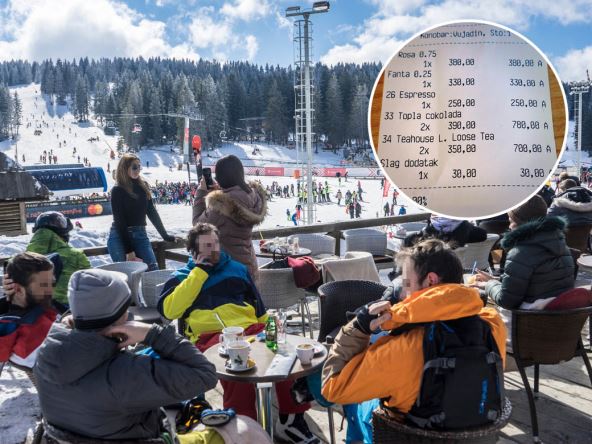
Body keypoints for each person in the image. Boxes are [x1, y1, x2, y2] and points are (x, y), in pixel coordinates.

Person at [321, 240, 506, 441]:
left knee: (354, 399)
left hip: (407, 435)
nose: (402, 293)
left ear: (431, 280)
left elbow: (333, 389)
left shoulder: (401, 348)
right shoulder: (492, 325)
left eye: (406, 283)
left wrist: (357, 328)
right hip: (477, 428)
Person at [158, 223, 320, 443]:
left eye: (216, 243)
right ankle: (243, 428)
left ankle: (291, 419)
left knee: (287, 355)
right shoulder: (182, 277)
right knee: (238, 368)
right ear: (193, 251)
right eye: (207, 245)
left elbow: (257, 306)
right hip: (211, 336)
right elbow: (168, 311)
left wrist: (270, 326)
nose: (214, 249)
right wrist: (199, 273)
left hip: (251, 329)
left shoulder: (237, 269)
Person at [34, 268, 219, 441]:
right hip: (145, 437)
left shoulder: (45, 355)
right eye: (127, 308)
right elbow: (205, 374)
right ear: (121, 316)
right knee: (233, 429)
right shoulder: (129, 373)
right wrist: (153, 333)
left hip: (82, 434)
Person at [473, 195, 574, 310]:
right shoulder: (562, 246)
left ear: (521, 223)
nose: (509, 226)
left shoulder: (520, 253)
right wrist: (496, 280)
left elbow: (506, 301)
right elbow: (535, 280)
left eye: (511, 221)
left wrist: (489, 285)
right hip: (560, 315)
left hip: (527, 318)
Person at [192, 155, 267, 287]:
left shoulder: (220, 205)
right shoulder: (252, 196)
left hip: (229, 272)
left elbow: (198, 226)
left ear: (221, 177)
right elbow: (235, 199)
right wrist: (222, 191)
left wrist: (201, 192)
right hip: (249, 266)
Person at [107, 153, 175, 271]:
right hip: (119, 237)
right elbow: (119, 221)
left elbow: (152, 212)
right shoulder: (117, 190)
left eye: (139, 167)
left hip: (140, 234)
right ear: (124, 168)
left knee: (153, 272)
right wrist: (129, 250)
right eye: (134, 167)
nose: (138, 170)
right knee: (126, 276)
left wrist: (165, 235)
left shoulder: (143, 186)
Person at [0, 252, 58, 369]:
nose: (51, 291)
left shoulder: (37, 307)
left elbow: (57, 258)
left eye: (52, 283)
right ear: (19, 290)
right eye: (44, 285)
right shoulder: (29, 345)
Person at [26, 211, 90, 305]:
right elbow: (91, 285)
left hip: (36, 310)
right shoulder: (76, 256)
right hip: (68, 309)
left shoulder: (21, 260)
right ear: (63, 232)